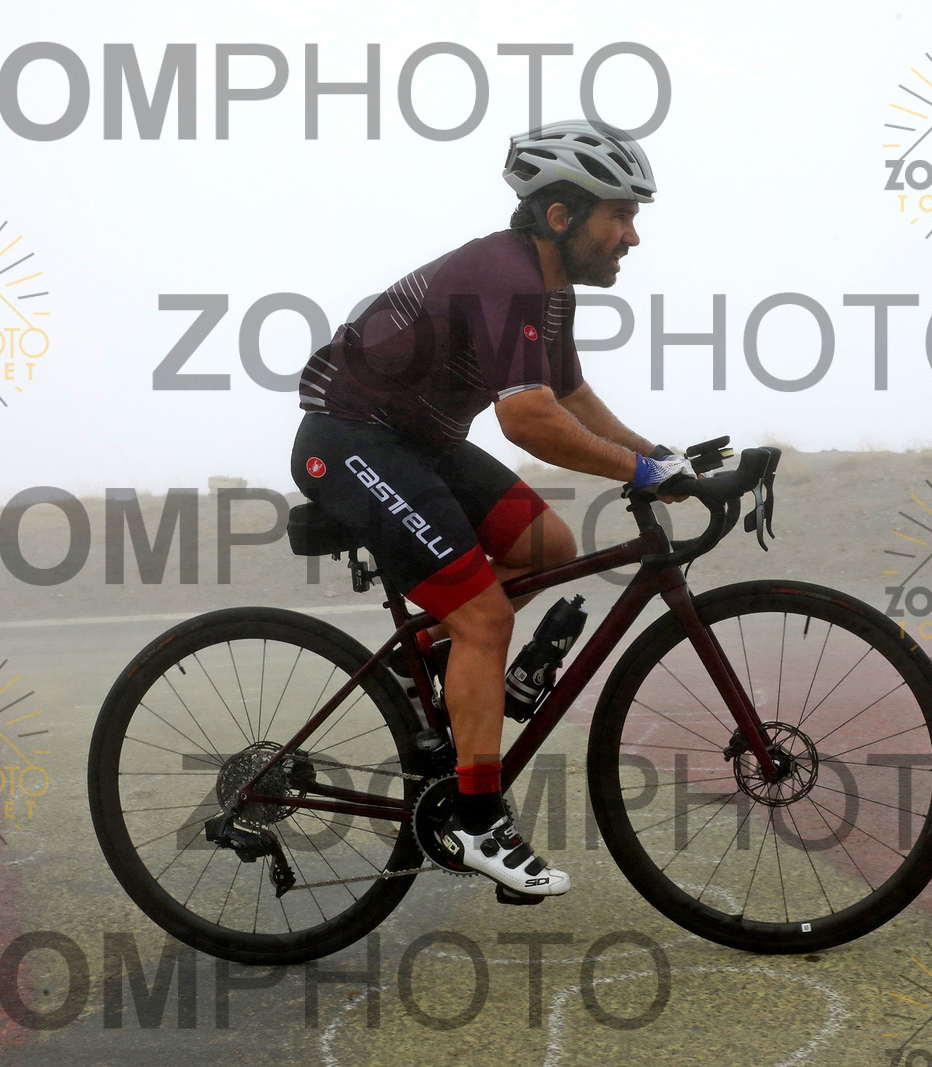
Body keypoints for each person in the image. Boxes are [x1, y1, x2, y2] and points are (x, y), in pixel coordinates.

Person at [289, 120, 693, 898]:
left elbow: (569, 395)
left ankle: (430, 664)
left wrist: (660, 456)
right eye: (620, 214)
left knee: (548, 544)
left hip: (418, 443)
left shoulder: (548, 287)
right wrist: (639, 470)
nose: (633, 235)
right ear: (561, 214)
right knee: (485, 618)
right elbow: (528, 419)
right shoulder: (506, 274)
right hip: (349, 437)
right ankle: (476, 821)